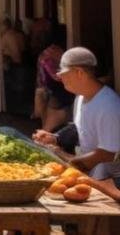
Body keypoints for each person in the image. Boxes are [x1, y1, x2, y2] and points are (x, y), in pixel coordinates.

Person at [33, 47, 120, 183]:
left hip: (111, 183)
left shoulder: (109, 105)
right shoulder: (80, 98)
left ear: (79, 72)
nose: (60, 78)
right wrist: (56, 138)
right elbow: (80, 128)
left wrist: (59, 154)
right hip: (91, 177)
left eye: (63, 74)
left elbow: (107, 153)